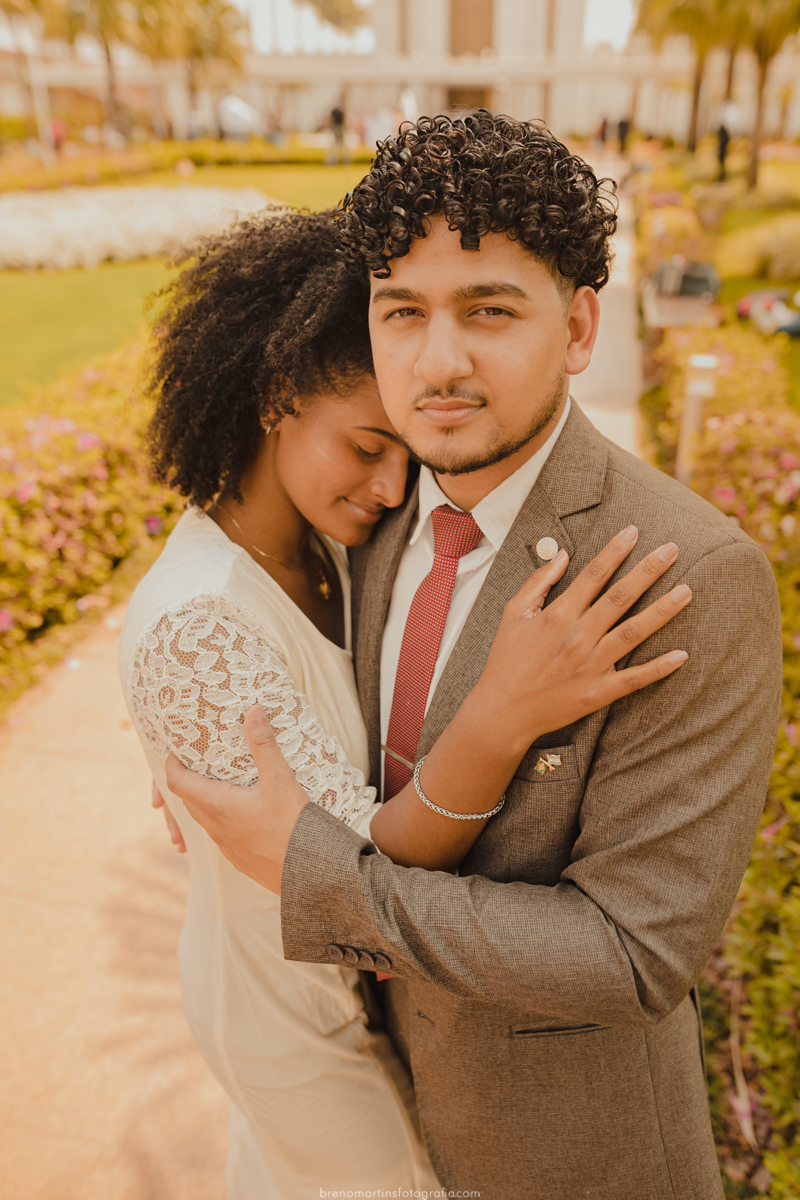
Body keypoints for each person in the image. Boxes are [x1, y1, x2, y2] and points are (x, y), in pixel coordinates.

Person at [166, 113, 783, 1200]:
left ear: (580, 326)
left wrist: (310, 871)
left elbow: (628, 954)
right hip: (368, 1125)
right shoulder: (371, 517)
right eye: (401, 312)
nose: (436, 362)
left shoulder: (688, 576)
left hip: (564, 1163)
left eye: (487, 311)